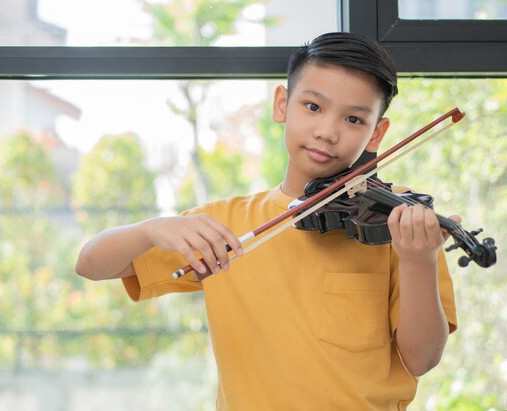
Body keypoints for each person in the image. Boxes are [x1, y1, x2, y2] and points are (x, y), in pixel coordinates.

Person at [75, 32, 458, 410]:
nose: (327, 131)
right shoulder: (225, 225)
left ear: (377, 134)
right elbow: (91, 264)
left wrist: (418, 260)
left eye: (354, 118)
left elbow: (421, 358)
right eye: (313, 107)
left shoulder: (400, 224)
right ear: (282, 104)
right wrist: (150, 229)